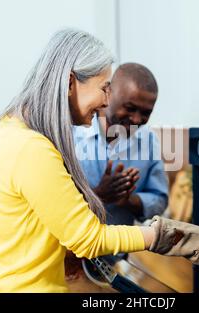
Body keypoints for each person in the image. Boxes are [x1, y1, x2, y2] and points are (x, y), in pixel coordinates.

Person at [0, 28, 199, 293]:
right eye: (105, 88)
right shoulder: (33, 148)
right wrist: (167, 237)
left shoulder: (8, 130)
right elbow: (89, 239)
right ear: (70, 82)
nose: (105, 100)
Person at [73, 63, 168, 226]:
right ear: (108, 92)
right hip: (74, 250)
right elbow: (52, 203)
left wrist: (128, 201)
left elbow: (159, 200)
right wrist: (98, 195)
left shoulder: (149, 140)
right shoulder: (72, 132)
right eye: (130, 108)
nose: (137, 120)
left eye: (146, 113)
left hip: (120, 250)